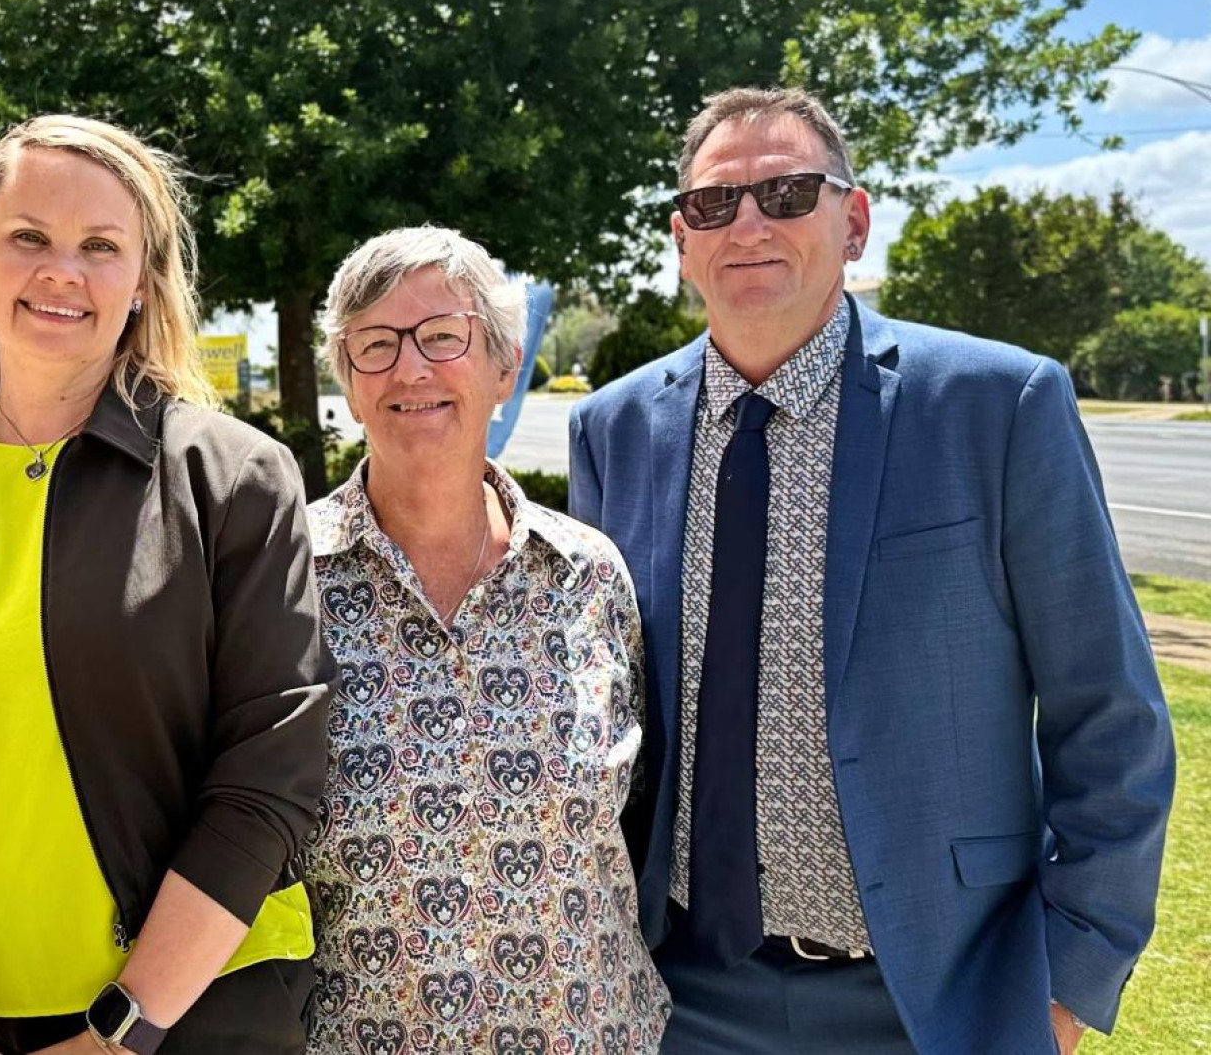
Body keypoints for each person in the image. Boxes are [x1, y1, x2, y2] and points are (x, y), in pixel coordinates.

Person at [569, 87, 1175, 1055]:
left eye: (787, 192)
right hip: (679, 992)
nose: (749, 225)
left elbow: (1108, 714)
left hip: (935, 990)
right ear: (683, 241)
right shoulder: (612, 429)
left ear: (849, 220)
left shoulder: (996, 402)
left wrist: (1067, 977)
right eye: (716, 204)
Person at [0, 116, 332, 1055]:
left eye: (101, 246)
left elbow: (267, 780)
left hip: (196, 1021)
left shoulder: (236, 480)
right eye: (29, 237)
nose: (62, 271)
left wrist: (118, 1031)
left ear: (142, 282)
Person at [305, 226, 669, 1053]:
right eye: (376, 345)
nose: (411, 368)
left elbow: (640, 816)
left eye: (444, 336)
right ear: (350, 383)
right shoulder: (280, 579)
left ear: (505, 367)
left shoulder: (589, 575)